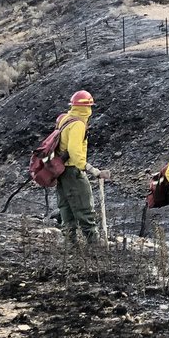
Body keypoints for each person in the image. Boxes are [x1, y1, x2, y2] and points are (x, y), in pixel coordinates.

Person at [54, 90, 107, 245]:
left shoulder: (65, 118)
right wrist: (91, 169)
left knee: (66, 207)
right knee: (84, 206)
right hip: (72, 171)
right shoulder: (78, 124)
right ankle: (93, 243)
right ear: (87, 108)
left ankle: (70, 243)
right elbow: (74, 151)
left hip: (61, 171)